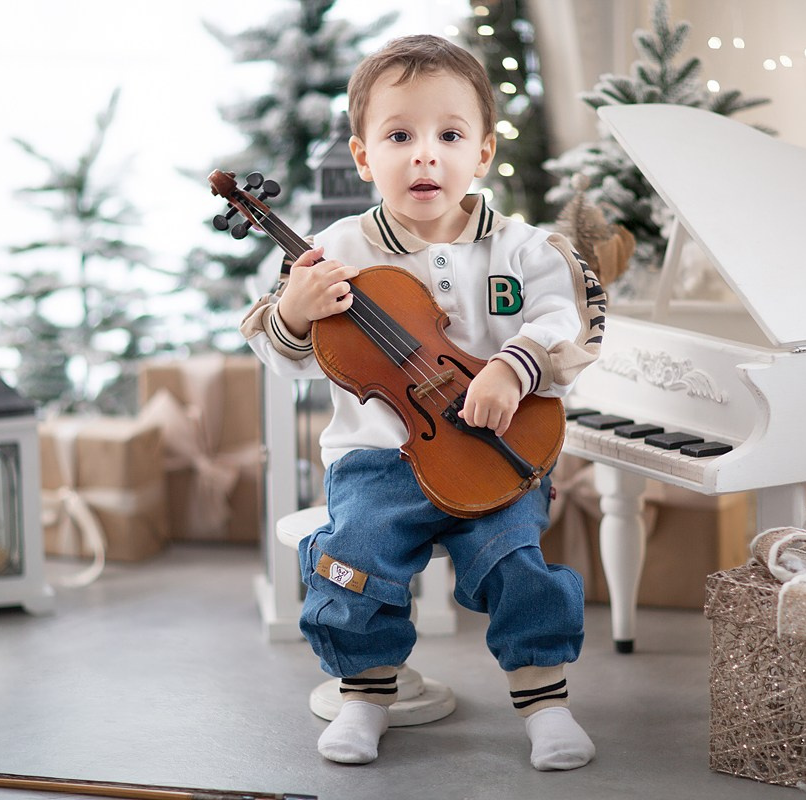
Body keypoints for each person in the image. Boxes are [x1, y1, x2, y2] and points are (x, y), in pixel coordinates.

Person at [241, 34, 606, 770]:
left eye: (449, 135)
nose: (424, 155)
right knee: (356, 555)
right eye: (399, 136)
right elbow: (278, 355)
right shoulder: (334, 252)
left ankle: (546, 706)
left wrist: (513, 368)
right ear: (363, 155)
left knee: (517, 562)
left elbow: (562, 320)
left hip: (494, 449)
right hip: (380, 460)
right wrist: (297, 312)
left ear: (484, 151)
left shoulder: (523, 248)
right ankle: (364, 698)